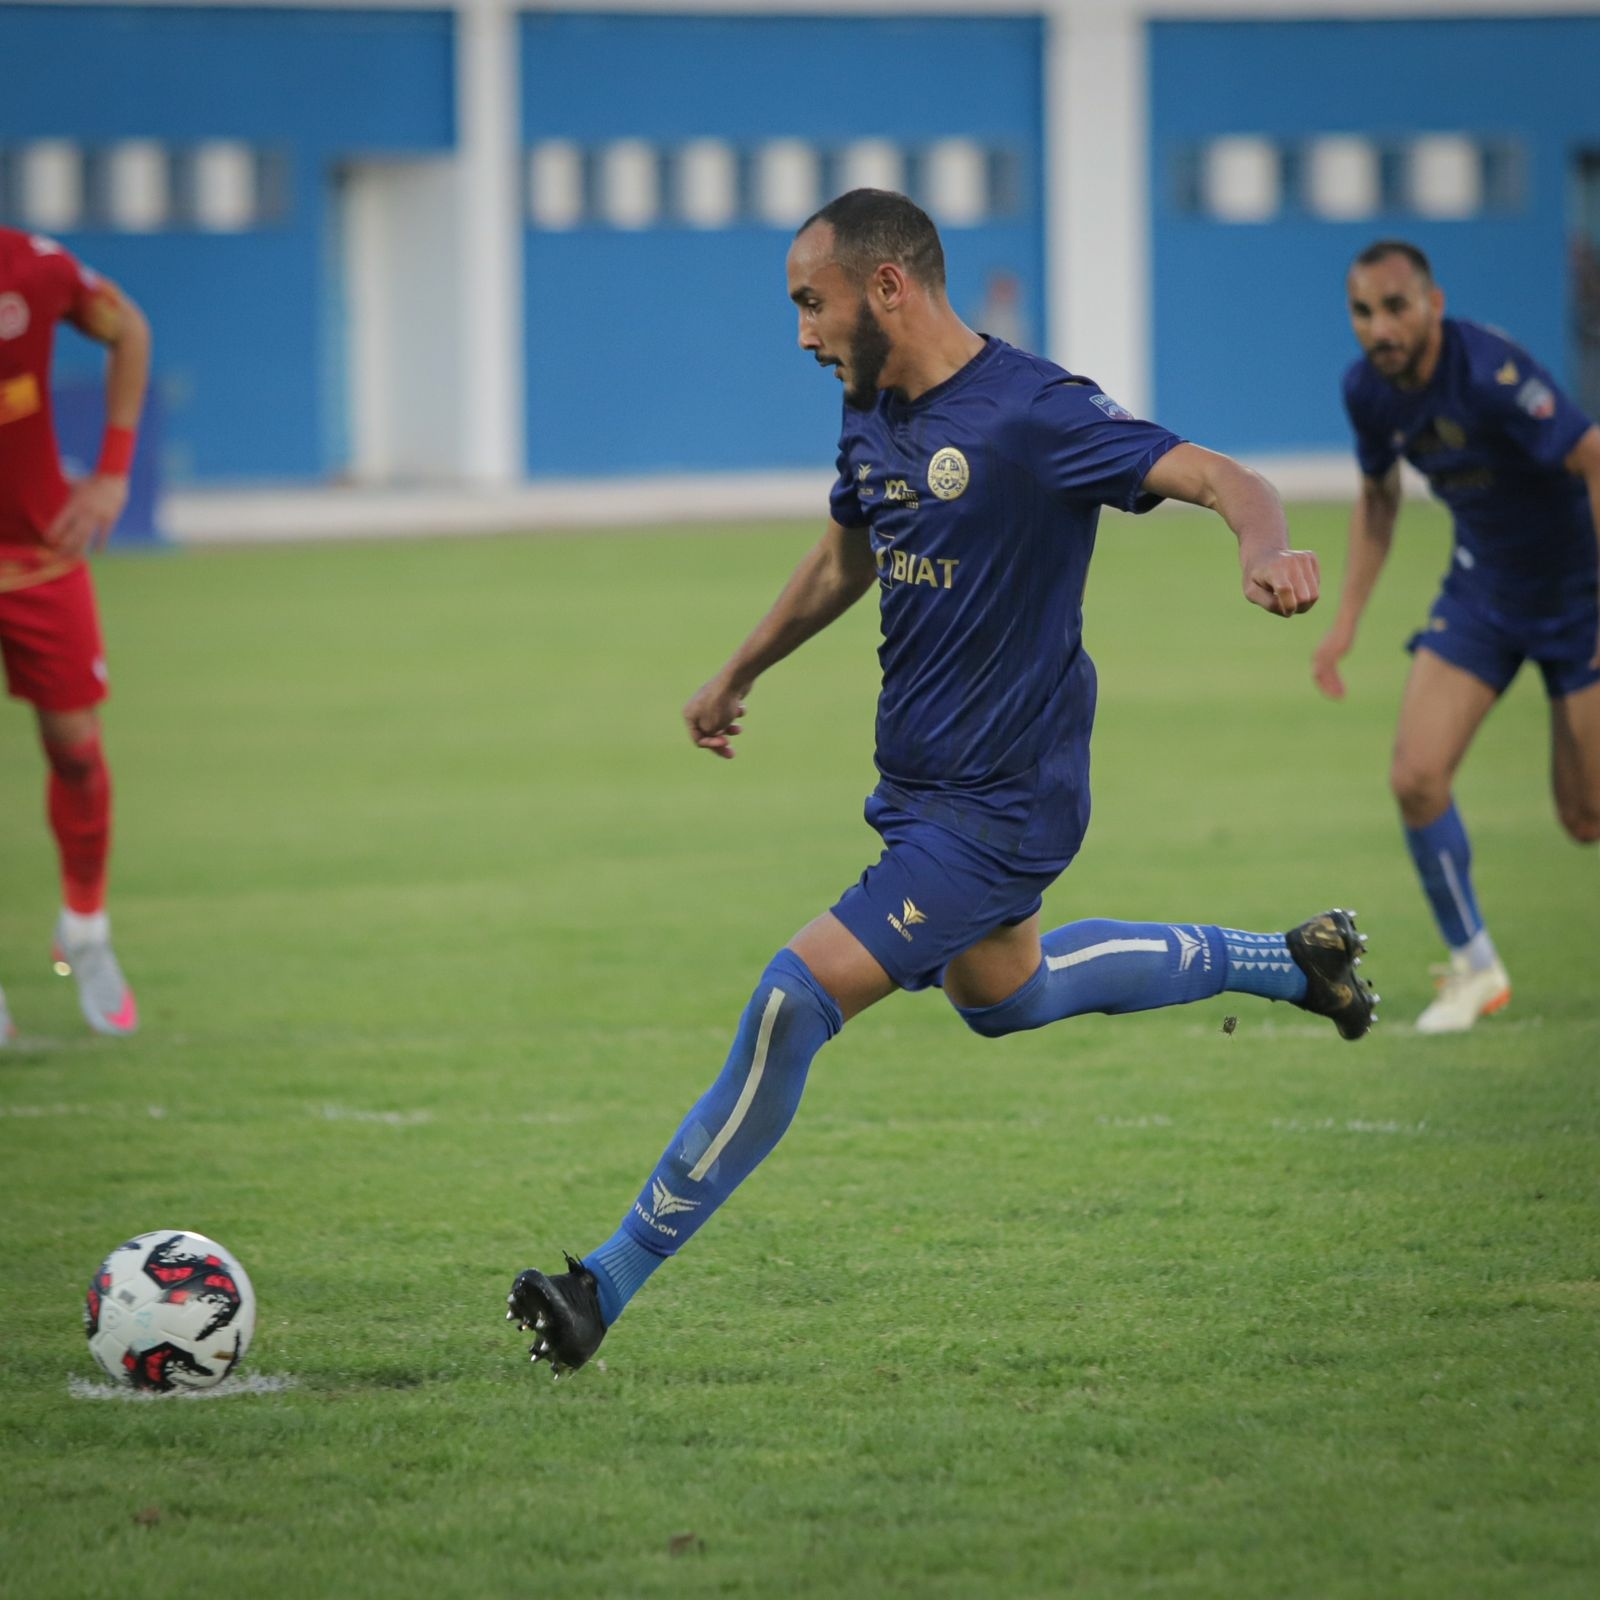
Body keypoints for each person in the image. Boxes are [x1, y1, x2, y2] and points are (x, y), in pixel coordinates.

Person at [507, 189, 1376, 1377]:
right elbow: (842, 560)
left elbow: (1221, 476)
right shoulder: (870, 412)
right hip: (919, 791)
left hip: (1001, 803)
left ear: (887, 287)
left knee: (790, 1001)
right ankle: (1291, 962)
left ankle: (600, 1283)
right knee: (1004, 993)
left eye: (810, 303)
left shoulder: (1033, 412)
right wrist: (738, 671)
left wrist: (1264, 545)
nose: (802, 333)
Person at [1313, 240, 1600, 1034]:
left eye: (1395, 307)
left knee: (1585, 818)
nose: (1380, 328)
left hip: (1578, 594)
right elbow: (1379, 498)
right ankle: (1475, 967)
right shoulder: (1367, 390)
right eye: (1362, 312)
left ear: (1433, 304)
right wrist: (1345, 624)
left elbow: (1594, 457)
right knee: (1416, 776)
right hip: (1484, 592)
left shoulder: (1489, 372)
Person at [0, 227, 150, 1042]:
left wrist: (113, 472)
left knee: (77, 753)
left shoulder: (37, 267)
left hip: (41, 556)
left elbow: (130, 331)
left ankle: (84, 931)